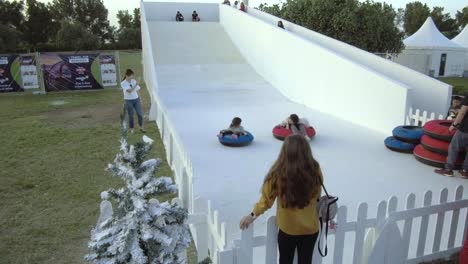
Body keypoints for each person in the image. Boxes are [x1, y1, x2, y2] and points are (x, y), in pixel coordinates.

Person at [239, 135, 323, 264]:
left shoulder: (278, 173)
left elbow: (266, 201)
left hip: (288, 230)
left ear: (285, 151)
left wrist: (252, 215)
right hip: (310, 230)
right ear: (307, 151)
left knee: (285, 261)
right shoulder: (315, 169)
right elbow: (317, 195)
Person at [435, 94, 468, 179]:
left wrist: (454, 124)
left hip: (465, 128)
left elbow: (462, 112)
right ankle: (465, 171)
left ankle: (448, 169)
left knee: (453, 147)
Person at [121, 69, 146, 134]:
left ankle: (141, 127)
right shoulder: (123, 83)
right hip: (128, 101)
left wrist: (140, 98)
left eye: (132, 75)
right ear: (127, 75)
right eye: (131, 75)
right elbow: (130, 91)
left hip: (136, 99)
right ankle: (132, 129)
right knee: (131, 115)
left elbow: (137, 90)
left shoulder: (133, 81)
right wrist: (136, 84)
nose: (132, 77)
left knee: (140, 114)